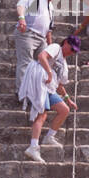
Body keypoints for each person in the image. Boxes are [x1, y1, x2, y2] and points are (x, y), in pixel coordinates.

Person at [19, 35, 80, 163]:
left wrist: (68, 99)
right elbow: (41, 56)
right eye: (72, 48)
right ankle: (33, 147)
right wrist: (49, 72)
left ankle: (49, 137)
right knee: (42, 115)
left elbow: (60, 85)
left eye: (74, 51)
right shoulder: (56, 47)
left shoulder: (64, 65)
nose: (72, 52)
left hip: (50, 88)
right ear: (66, 43)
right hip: (40, 83)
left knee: (64, 110)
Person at [14, 0, 61, 93]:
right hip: (28, 33)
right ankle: (22, 92)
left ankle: (38, 90)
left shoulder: (50, 7)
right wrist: (21, 18)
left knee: (44, 63)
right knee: (26, 62)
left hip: (41, 38)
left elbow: (49, 30)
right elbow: (21, 5)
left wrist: (50, 47)